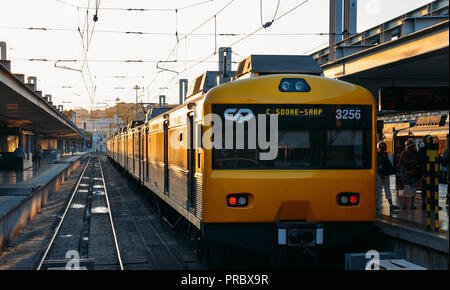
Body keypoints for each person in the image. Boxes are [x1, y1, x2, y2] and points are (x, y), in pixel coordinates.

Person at [377, 141, 399, 211]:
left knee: (387, 190)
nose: (384, 149)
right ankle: (376, 205)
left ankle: (391, 204)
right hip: (379, 175)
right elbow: (376, 166)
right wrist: (381, 174)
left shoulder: (384, 155)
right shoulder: (378, 156)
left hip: (385, 175)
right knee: (378, 190)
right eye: (383, 148)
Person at [399, 139, 420, 209]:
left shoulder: (415, 153)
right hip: (406, 174)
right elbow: (401, 163)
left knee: (413, 190)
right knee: (407, 189)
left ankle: (412, 205)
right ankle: (405, 205)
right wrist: (410, 162)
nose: (413, 148)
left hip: (413, 174)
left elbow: (417, 163)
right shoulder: (404, 154)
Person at [416, 136, 430, 209]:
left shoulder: (421, 150)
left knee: (424, 189)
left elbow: (418, 162)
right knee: (432, 188)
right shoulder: (432, 149)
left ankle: (424, 203)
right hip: (431, 172)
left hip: (424, 172)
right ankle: (431, 203)